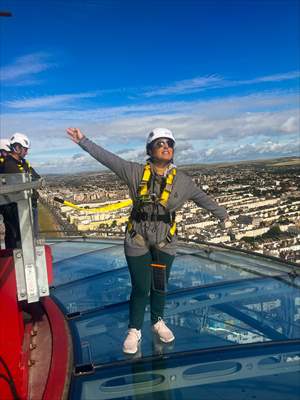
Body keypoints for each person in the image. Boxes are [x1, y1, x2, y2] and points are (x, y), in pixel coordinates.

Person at [66, 127, 230, 354]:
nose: (166, 147)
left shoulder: (183, 182)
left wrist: (224, 216)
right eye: (160, 143)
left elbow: (204, 199)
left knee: (159, 285)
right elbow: (108, 159)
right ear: (150, 150)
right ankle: (134, 329)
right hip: (137, 239)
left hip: (165, 241)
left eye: (169, 144)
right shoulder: (134, 172)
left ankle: (157, 321)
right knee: (141, 287)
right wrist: (83, 141)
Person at [1, 133, 40, 248]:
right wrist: (31, 182)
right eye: (25, 149)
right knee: (17, 238)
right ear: (17, 148)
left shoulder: (22, 163)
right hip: (16, 208)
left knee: (28, 236)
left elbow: (36, 177)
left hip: (26, 205)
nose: (27, 152)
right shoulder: (8, 164)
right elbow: (23, 183)